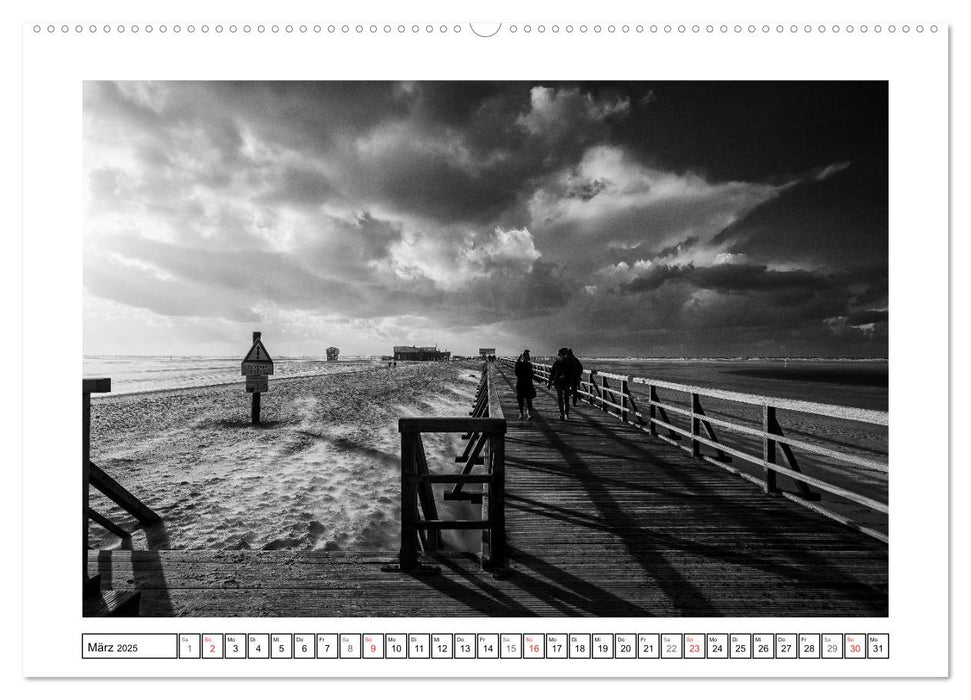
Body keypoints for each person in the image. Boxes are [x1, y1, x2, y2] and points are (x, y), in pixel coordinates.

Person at [547, 347, 572, 420]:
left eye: (565, 354)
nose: (564, 356)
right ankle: (562, 414)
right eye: (562, 354)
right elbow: (552, 373)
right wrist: (549, 382)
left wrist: (565, 376)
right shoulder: (556, 363)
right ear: (560, 355)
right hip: (558, 382)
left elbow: (572, 373)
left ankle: (566, 414)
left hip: (566, 382)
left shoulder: (569, 363)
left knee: (566, 398)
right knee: (560, 398)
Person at [514, 349, 537, 420]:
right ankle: (521, 413)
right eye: (525, 358)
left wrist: (537, 379)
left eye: (527, 358)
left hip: (527, 384)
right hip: (522, 384)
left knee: (528, 399)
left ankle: (528, 414)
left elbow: (532, 374)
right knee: (521, 399)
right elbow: (517, 373)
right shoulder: (519, 364)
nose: (526, 359)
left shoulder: (528, 365)